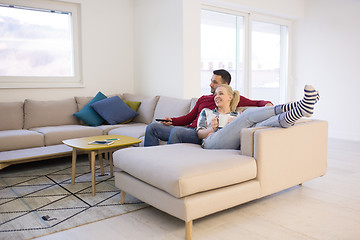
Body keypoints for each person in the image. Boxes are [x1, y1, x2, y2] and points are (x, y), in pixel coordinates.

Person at [144, 69, 273, 146]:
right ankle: (148, 161)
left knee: (177, 132)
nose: (210, 84)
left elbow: (257, 103)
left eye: (215, 82)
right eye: (211, 80)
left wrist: (267, 104)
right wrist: (172, 121)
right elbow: (189, 117)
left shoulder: (230, 97)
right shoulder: (203, 99)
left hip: (201, 133)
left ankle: (166, 162)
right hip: (190, 129)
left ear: (225, 85)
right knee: (152, 127)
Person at [197, 84, 320, 150]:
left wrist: (235, 122)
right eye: (215, 94)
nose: (216, 96)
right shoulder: (207, 112)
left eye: (221, 93)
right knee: (247, 115)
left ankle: (300, 111)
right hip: (211, 142)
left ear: (230, 97)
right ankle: (298, 105)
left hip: (235, 142)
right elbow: (199, 134)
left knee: (262, 125)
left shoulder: (236, 115)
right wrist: (212, 129)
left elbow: (258, 103)